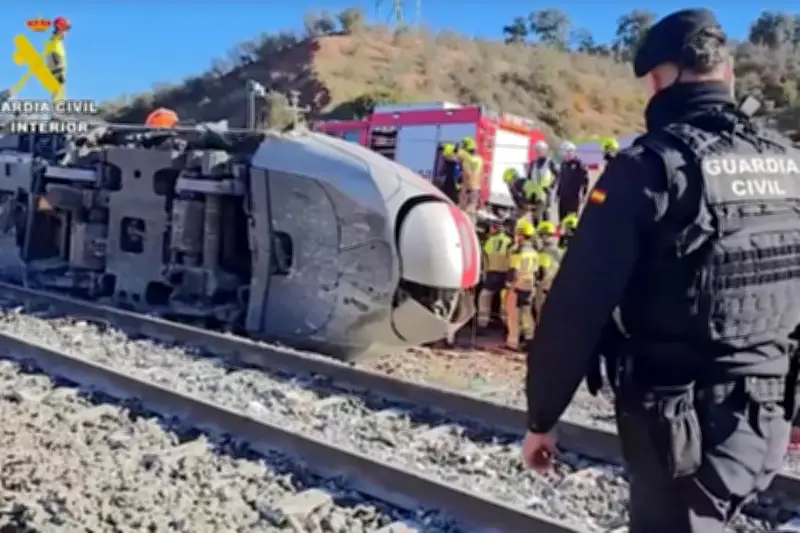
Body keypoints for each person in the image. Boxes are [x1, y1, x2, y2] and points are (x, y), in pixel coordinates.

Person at [521, 8, 800, 533]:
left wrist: (542, 418)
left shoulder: (647, 167)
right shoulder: (789, 164)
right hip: (768, 421)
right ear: (729, 72)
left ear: (660, 78)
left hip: (682, 432)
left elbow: (577, 306)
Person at [504, 219, 538, 351]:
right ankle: (530, 339)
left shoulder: (518, 251)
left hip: (517, 286)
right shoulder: (534, 252)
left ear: (522, 235)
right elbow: (537, 271)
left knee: (513, 316)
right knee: (527, 314)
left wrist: (508, 285)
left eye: (518, 234)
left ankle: (512, 343)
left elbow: (514, 270)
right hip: (530, 286)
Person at [477, 221, 512, 330]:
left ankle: (482, 324)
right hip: (506, 274)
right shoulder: (509, 241)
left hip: (491, 273)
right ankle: (507, 326)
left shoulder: (488, 241)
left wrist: (483, 273)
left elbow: (484, 260)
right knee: (505, 302)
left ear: (494, 228)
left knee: (484, 298)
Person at [527, 140, 559, 224]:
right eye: (537, 150)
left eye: (541, 150)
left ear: (545, 151)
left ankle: (545, 232)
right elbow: (529, 177)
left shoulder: (550, 163)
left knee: (544, 212)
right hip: (534, 192)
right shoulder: (533, 163)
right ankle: (536, 231)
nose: (539, 152)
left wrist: (551, 186)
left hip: (545, 191)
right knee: (534, 213)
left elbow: (558, 175)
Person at [556, 141, 589, 220]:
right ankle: (564, 231)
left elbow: (585, 180)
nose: (565, 155)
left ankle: (571, 232)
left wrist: (583, 193)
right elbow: (561, 179)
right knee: (562, 217)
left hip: (574, 196)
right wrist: (558, 192)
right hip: (563, 196)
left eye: (567, 152)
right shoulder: (563, 164)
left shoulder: (579, 164)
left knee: (572, 218)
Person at [456, 137, 483, 223]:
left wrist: (459, 150)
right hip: (469, 190)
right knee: (465, 213)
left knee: (466, 214)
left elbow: (463, 155)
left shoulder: (474, 159)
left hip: (470, 191)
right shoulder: (472, 160)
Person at [45, 16, 70, 102]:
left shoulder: (57, 41)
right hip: (57, 75)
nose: (66, 32)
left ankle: (58, 110)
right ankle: (57, 111)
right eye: (65, 29)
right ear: (60, 28)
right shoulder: (53, 41)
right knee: (58, 93)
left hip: (59, 74)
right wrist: (57, 73)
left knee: (60, 93)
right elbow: (49, 58)